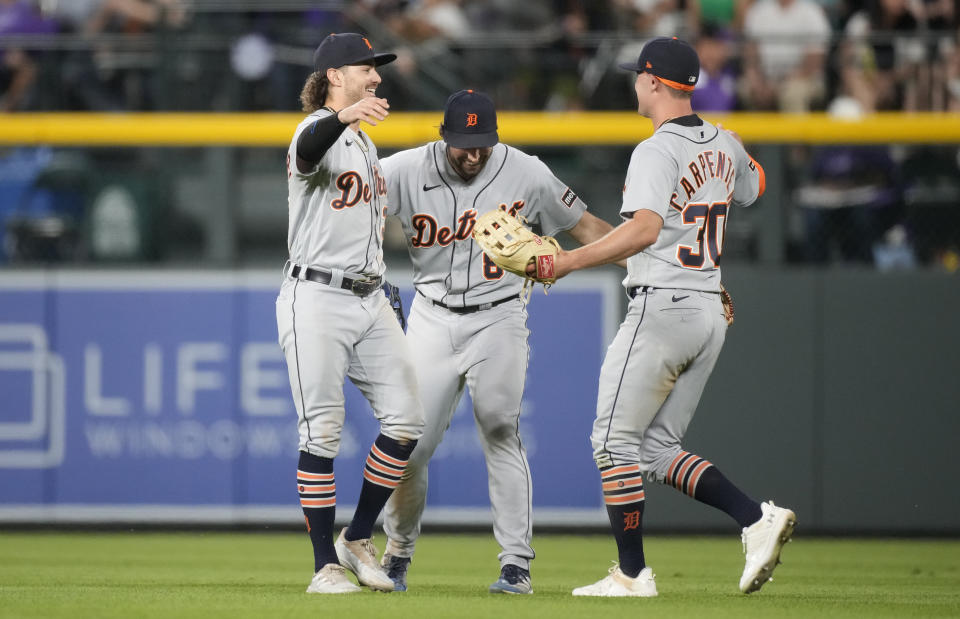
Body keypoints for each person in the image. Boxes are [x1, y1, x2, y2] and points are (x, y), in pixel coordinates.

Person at [538, 37, 796, 597]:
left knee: (611, 443)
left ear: (654, 82)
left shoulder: (655, 150)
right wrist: (728, 145)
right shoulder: (724, 141)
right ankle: (756, 518)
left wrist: (567, 260)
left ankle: (631, 575)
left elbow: (646, 229)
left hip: (663, 305)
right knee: (654, 450)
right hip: (708, 310)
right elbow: (758, 185)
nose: (634, 83)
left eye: (639, 76)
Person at [377, 89, 617, 594]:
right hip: (432, 315)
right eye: (464, 143)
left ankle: (516, 565)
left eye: (482, 142)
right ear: (443, 136)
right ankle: (396, 554)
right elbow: (354, 209)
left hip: (501, 314)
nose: (473, 153)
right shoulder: (403, 169)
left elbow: (590, 228)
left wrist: (645, 264)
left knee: (499, 427)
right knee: (411, 446)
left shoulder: (526, 172)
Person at [275, 32, 424, 595]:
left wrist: (382, 284)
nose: (377, 77)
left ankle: (356, 536)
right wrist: (342, 116)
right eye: (367, 68)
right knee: (322, 431)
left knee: (408, 418)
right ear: (337, 75)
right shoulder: (317, 129)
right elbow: (309, 147)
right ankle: (323, 567)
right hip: (315, 298)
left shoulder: (363, 142)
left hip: (368, 296)